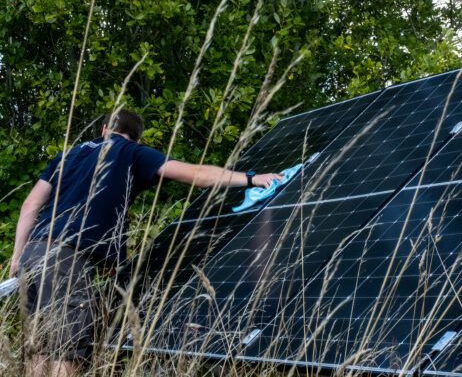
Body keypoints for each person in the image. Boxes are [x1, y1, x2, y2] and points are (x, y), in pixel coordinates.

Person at [9, 109, 282, 377]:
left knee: (42, 349)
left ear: (104, 129)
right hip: (65, 259)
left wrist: (17, 258)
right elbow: (196, 174)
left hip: (33, 254)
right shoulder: (130, 151)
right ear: (136, 138)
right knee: (66, 349)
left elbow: (30, 205)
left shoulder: (66, 156)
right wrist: (251, 178)